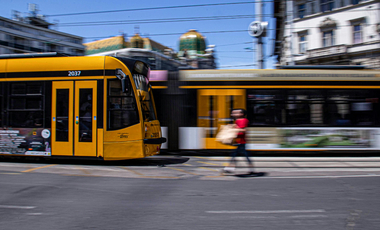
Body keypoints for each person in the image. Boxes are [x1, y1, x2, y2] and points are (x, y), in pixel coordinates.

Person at [223, 108, 255, 175]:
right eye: (233, 113)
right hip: (238, 141)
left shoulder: (244, 120)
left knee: (237, 155)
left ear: (241, 114)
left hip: (241, 141)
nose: (233, 114)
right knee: (239, 155)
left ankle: (230, 168)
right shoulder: (237, 120)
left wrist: (233, 129)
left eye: (235, 113)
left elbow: (243, 130)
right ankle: (251, 169)